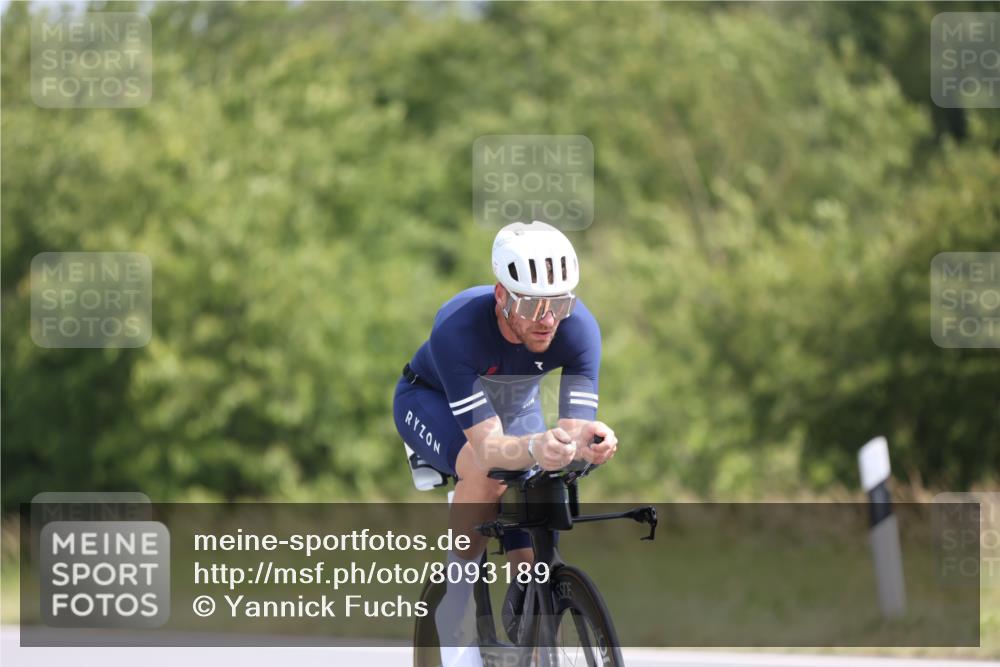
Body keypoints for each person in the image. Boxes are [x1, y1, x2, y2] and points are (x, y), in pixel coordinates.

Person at [393, 220, 618, 667]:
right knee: (486, 472)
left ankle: (531, 617)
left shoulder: (579, 328)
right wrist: (534, 446)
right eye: (533, 305)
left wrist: (588, 442)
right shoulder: (457, 327)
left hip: (515, 406)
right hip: (431, 399)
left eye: (558, 302)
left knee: (542, 490)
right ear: (502, 296)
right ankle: (454, 602)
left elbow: (573, 428)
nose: (548, 318)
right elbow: (490, 448)